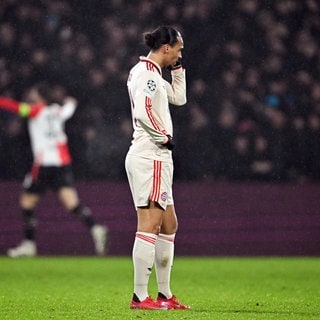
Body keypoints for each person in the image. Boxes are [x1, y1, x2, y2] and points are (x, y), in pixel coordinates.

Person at [0, 83, 108, 257]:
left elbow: (14, 107)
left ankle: (29, 244)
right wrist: (71, 102)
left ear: (39, 97)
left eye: (33, 93)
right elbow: (69, 109)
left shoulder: (35, 111)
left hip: (43, 165)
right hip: (61, 163)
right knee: (72, 203)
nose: (30, 95)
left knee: (27, 203)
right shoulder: (57, 110)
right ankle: (96, 228)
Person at [125, 26, 190, 310]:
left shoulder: (151, 72)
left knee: (169, 224)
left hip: (157, 159)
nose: (180, 53)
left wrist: (178, 68)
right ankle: (140, 296)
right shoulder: (148, 76)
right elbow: (143, 111)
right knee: (149, 224)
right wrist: (163, 136)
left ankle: (164, 294)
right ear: (167, 47)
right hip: (150, 156)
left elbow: (179, 97)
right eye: (178, 49)